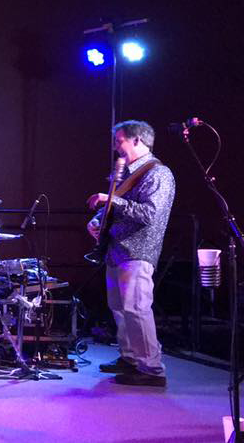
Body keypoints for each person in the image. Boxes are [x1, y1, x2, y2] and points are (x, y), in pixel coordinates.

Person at [87, 120, 175, 387]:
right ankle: (129, 357)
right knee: (120, 308)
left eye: (120, 140)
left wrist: (112, 200)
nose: (116, 147)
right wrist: (98, 220)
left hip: (138, 250)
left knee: (136, 308)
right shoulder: (127, 174)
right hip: (117, 249)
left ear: (137, 140)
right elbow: (118, 207)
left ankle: (151, 368)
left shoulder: (158, 173)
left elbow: (149, 213)